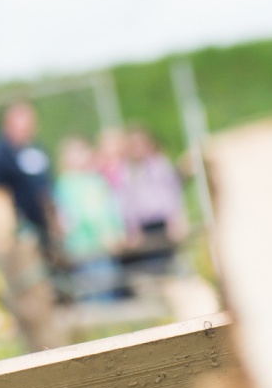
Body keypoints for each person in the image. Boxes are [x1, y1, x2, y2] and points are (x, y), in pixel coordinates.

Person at [0, 101, 60, 260]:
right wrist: (8, 230)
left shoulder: (36, 149)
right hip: (20, 230)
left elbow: (46, 187)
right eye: (20, 117)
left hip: (43, 225)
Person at [52, 137, 125, 302]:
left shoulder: (96, 180)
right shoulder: (65, 184)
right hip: (83, 245)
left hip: (105, 245)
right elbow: (72, 218)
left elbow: (110, 209)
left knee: (110, 285)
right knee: (91, 291)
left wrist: (117, 230)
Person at [116, 126, 188, 277]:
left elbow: (171, 193)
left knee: (172, 262)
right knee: (152, 267)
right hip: (143, 225)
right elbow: (128, 202)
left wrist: (175, 219)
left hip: (163, 221)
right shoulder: (127, 171)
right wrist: (132, 228)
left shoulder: (160, 165)